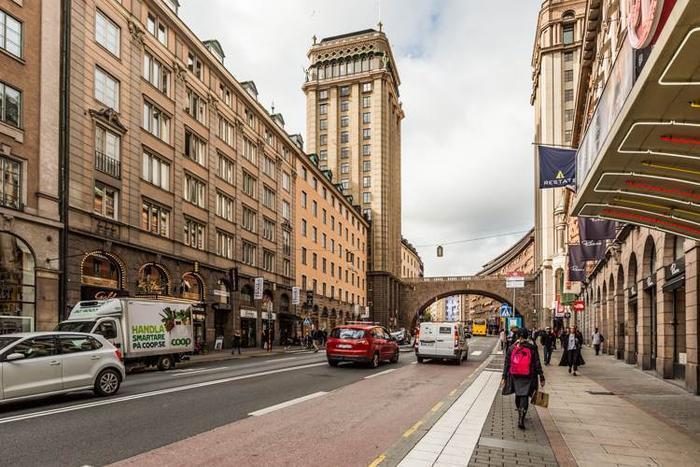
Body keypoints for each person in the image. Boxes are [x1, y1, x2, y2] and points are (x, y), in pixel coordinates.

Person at [502, 329, 545, 430]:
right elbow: (537, 362)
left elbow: (507, 363)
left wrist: (504, 376)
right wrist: (541, 376)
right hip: (528, 375)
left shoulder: (512, 347)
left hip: (515, 375)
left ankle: (519, 411)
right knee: (524, 395)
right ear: (527, 336)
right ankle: (521, 417)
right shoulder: (532, 347)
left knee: (518, 394)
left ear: (517, 336)